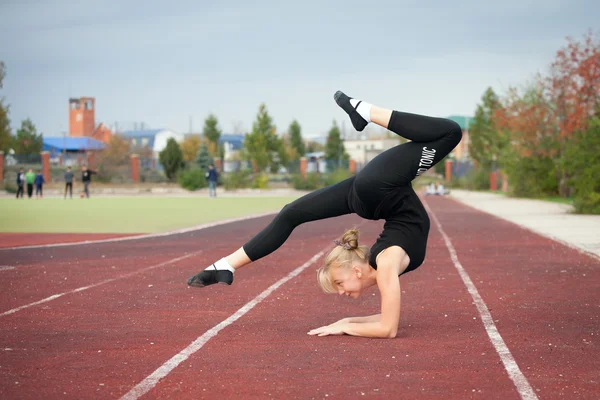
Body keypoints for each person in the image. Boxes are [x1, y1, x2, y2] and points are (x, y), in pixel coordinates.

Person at [187, 90, 462, 338]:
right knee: (450, 133)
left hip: (377, 190)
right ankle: (225, 266)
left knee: (451, 133)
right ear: (357, 268)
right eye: (339, 285)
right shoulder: (387, 264)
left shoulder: (385, 265)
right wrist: (347, 323)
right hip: (377, 191)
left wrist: (345, 324)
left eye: (339, 283)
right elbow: (388, 325)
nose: (341, 292)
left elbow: (387, 326)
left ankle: (363, 111)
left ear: (356, 269)